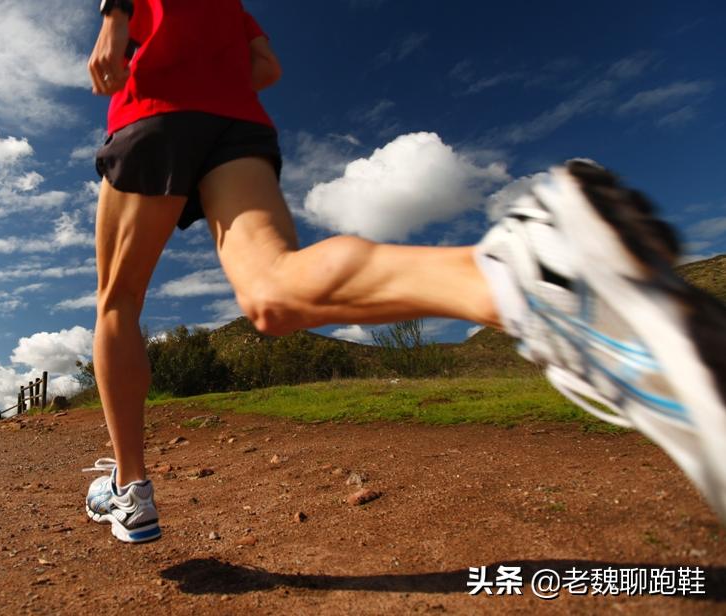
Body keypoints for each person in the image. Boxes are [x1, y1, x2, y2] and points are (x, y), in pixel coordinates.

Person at [82, 0, 726, 543]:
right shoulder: (235, 8)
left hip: (156, 107)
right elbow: (265, 67)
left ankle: (131, 486)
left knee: (119, 302)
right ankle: (522, 277)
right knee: (272, 290)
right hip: (237, 126)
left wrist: (115, 20)